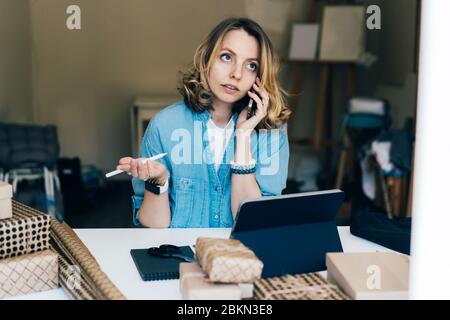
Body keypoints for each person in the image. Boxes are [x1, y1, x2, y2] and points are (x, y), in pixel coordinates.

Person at [116, 17, 291, 228]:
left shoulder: (271, 135)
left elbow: (256, 224)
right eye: (226, 57)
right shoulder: (164, 125)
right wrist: (158, 182)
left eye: (251, 65)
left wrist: (243, 137)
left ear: (260, 77)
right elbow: (154, 227)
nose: (236, 74)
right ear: (207, 59)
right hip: (179, 259)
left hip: (241, 258)